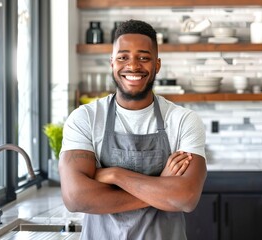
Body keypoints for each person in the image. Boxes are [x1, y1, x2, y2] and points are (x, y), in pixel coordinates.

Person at [58, 19, 207, 239]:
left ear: (157, 65)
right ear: (112, 63)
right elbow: (76, 198)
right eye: (123, 57)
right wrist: (163, 187)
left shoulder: (183, 120)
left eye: (144, 58)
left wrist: (115, 175)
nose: (133, 65)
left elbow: (186, 197)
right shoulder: (85, 119)